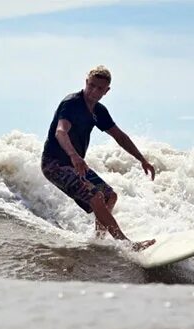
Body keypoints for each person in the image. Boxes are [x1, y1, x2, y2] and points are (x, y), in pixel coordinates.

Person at [41, 65, 156, 251]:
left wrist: (142, 159)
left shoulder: (99, 111)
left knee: (110, 196)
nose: (94, 91)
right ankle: (127, 244)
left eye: (100, 88)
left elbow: (120, 136)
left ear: (107, 91)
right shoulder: (71, 104)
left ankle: (98, 241)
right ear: (86, 83)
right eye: (92, 85)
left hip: (74, 164)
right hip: (55, 164)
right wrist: (74, 155)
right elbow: (60, 132)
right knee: (95, 196)